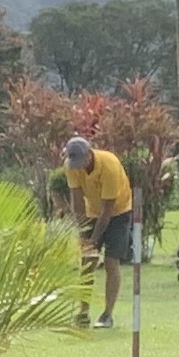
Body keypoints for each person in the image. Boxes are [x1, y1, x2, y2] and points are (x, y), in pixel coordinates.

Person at [58, 133, 137, 322]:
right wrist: (82, 231)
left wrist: (94, 238)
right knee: (87, 263)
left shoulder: (109, 165)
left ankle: (107, 314)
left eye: (80, 160)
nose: (78, 166)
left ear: (89, 154)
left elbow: (107, 210)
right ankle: (83, 313)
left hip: (118, 212)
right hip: (92, 211)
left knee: (111, 263)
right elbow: (77, 200)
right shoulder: (71, 166)